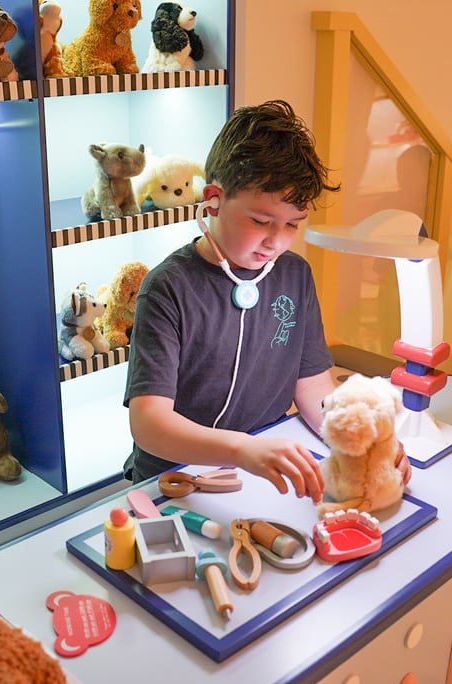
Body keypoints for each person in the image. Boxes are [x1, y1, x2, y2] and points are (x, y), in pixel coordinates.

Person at [122, 100, 340, 502]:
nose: (277, 240)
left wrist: (356, 440)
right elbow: (149, 423)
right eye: (261, 221)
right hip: (178, 477)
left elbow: (313, 387)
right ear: (214, 200)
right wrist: (241, 449)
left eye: (292, 224)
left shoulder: (294, 275)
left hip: (263, 465)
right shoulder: (168, 288)